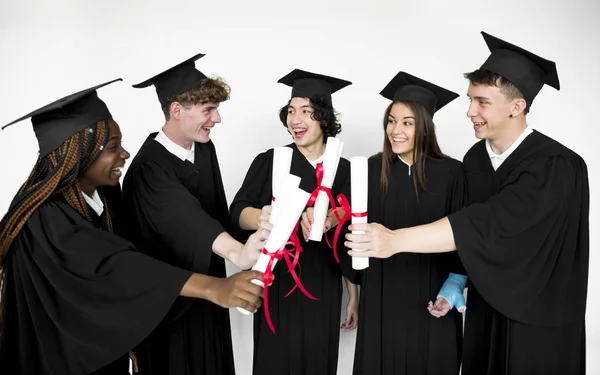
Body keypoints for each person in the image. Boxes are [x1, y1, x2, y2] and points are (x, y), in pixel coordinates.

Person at [346, 32, 589, 375]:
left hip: (536, 319)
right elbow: (468, 230)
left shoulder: (555, 165)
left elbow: (488, 222)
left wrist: (395, 240)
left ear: (516, 107)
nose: (469, 111)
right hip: (484, 312)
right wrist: (456, 283)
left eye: (482, 102)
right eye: (470, 100)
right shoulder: (476, 160)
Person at [0, 79, 266, 375]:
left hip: (102, 346)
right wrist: (213, 286)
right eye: (112, 147)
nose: (125, 154)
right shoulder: (44, 218)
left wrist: (125, 338)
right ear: (79, 154)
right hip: (59, 358)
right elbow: (117, 267)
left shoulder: (105, 198)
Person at [122, 53, 265, 375]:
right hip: (168, 302)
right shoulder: (150, 167)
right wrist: (238, 253)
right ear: (177, 110)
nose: (217, 119)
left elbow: (214, 210)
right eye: (208, 110)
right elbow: (187, 218)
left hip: (210, 293)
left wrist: (257, 226)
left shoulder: (202, 147)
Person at [230, 69, 359, 375]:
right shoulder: (272, 160)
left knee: (318, 361)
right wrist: (266, 215)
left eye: (306, 112)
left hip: (323, 282)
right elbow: (237, 210)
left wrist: (353, 296)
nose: (295, 120)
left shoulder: (344, 170)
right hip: (276, 281)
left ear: (324, 118)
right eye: (290, 112)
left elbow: (351, 236)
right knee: (275, 360)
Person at [351, 71, 465, 375]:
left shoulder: (453, 174)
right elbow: (347, 230)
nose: (396, 130)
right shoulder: (371, 170)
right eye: (391, 120)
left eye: (407, 122)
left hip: (432, 295)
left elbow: (466, 236)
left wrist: (455, 284)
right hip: (381, 297)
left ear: (425, 128)